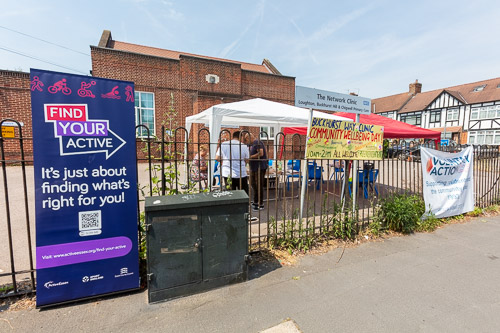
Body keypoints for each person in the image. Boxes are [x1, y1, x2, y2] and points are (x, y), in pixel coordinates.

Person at [247, 132, 268, 211]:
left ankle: (260, 203)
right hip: (254, 167)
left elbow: (261, 153)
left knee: (259, 185)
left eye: (246, 139)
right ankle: (256, 201)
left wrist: (250, 157)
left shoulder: (257, 142)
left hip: (260, 167)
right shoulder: (251, 145)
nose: (246, 141)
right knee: (253, 183)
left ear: (250, 137)